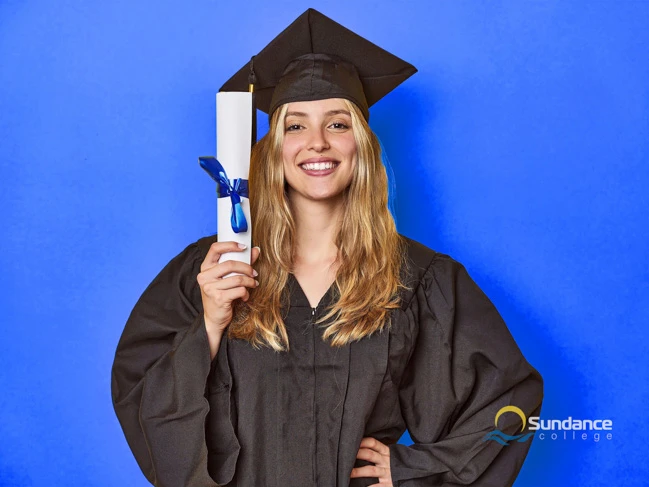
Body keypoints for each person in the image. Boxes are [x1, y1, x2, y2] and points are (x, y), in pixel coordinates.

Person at [111, 8, 543, 487]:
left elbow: (510, 404)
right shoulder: (215, 267)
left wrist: (411, 469)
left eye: (337, 124)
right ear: (273, 147)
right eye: (295, 126)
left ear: (361, 144)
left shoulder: (418, 279)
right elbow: (142, 395)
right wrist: (210, 325)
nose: (317, 143)